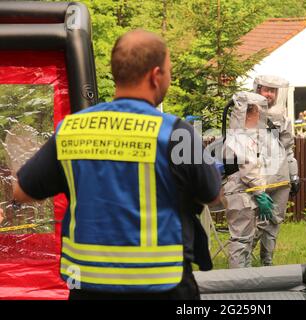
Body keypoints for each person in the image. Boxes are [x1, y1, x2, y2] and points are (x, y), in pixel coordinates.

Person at [11, 29, 224, 300]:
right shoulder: (176, 133)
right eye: (168, 71)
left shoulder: (71, 129)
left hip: (87, 287)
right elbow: (212, 194)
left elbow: (22, 191)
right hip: (162, 286)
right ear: (155, 75)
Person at [223, 91, 286, 268]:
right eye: (257, 111)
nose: (260, 116)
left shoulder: (243, 136)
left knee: (246, 241)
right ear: (248, 113)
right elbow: (249, 169)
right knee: (241, 241)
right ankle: (237, 286)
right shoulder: (240, 138)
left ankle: (245, 281)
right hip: (240, 195)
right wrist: (260, 193)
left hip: (244, 194)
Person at [252, 75, 297, 266]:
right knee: (256, 223)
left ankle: (267, 262)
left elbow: (288, 149)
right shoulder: (247, 115)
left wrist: (294, 174)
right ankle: (241, 262)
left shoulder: (283, 119)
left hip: (280, 178)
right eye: (266, 90)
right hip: (257, 180)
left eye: (273, 90)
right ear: (258, 90)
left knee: (274, 221)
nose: (269, 94)